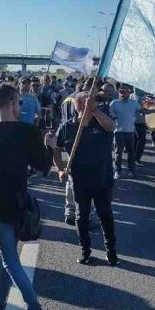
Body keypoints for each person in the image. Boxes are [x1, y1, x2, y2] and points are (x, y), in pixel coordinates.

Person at [0, 83, 53, 310]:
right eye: (19, 102)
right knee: (9, 259)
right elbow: (44, 168)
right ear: (11, 103)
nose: (20, 106)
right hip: (20, 201)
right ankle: (29, 308)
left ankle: (14, 307)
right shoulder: (27, 131)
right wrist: (48, 147)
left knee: (9, 259)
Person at [54, 90, 118, 266]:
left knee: (105, 215)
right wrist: (60, 169)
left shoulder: (101, 122)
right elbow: (57, 150)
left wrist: (96, 111)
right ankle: (85, 250)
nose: (84, 103)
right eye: (80, 101)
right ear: (75, 105)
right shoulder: (67, 126)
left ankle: (111, 251)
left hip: (102, 179)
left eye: (88, 101)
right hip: (80, 181)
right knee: (81, 217)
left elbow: (112, 127)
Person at [109, 86, 155, 179]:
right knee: (118, 153)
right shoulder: (114, 103)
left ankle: (131, 171)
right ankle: (117, 171)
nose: (123, 94)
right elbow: (108, 115)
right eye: (121, 92)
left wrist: (154, 110)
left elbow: (143, 111)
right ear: (119, 93)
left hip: (130, 132)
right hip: (118, 132)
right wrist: (111, 120)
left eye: (125, 92)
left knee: (131, 153)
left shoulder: (134, 103)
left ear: (129, 93)